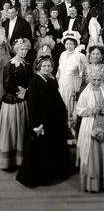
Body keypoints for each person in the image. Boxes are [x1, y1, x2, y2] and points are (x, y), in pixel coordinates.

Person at [16, 56, 70, 187]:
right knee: (40, 149)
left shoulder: (51, 81)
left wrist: (64, 113)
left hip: (54, 121)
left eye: (49, 66)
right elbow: (33, 106)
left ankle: (54, 171)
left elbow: (58, 101)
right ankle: (41, 177)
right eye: (44, 66)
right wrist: (36, 125)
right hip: (41, 122)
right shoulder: (34, 82)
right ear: (39, 67)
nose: (47, 68)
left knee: (52, 147)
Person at [76, 68, 104, 192]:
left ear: (102, 79)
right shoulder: (85, 93)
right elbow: (79, 110)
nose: (96, 82)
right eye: (94, 80)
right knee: (92, 153)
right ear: (89, 79)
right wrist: (91, 111)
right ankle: (93, 184)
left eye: (99, 80)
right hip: (90, 124)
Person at [0, 38, 32, 169]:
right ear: (16, 50)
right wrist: (23, 92)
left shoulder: (26, 64)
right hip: (12, 103)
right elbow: (7, 85)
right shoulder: (10, 65)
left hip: (22, 102)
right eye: (21, 49)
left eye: (25, 49)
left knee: (21, 129)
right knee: (12, 128)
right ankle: (8, 161)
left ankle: (20, 159)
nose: (23, 52)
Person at [56, 31, 87, 144]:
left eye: (71, 43)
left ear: (75, 44)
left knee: (71, 108)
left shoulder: (80, 56)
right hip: (62, 85)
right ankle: (62, 133)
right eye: (67, 43)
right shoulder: (62, 54)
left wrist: (79, 88)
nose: (69, 46)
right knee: (62, 108)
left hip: (73, 86)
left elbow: (85, 73)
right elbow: (59, 71)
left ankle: (73, 135)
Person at [0, 21, 10, 100]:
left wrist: (8, 54)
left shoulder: (3, 29)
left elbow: (6, 43)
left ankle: (3, 96)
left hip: (4, 54)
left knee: (4, 76)